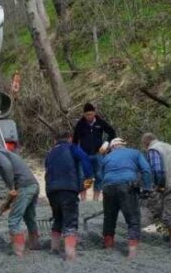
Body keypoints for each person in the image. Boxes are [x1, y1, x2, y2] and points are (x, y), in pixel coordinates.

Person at [98, 137, 153, 258]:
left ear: (112, 148)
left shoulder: (107, 157)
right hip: (127, 186)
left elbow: (100, 175)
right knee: (133, 218)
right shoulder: (135, 153)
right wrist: (147, 188)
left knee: (109, 218)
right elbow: (146, 170)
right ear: (124, 145)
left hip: (108, 187)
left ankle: (108, 246)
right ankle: (132, 251)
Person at [44, 131, 94, 261]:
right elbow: (85, 159)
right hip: (68, 188)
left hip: (51, 190)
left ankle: (54, 248)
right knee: (70, 221)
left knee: (58, 218)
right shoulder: (72, 148)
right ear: (70, 138)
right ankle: (70, 254)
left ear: (55, 140)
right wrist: (89, 178)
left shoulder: (50, 153)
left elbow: (47, 171)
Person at [0, 141, 39, 256]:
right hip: (33, 185)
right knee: (29, 217)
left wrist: (12, 187)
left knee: (13, 220)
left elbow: (7, 166)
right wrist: (8, 203)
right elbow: (14, 193)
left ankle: (18, 251)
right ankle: (35, 244)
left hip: (24, 186)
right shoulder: (9, 153)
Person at [72, 102, 116, 201]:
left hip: (98, 153)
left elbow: (112, 133)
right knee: (85, 176)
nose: (89, 116)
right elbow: (75, 140)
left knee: (99, 175)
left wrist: (106, 143)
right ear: (84, 114)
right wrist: (76, 153)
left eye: (91, 114)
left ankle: (95, 199)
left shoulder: (100, 123)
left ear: (94, 113)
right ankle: (83, 198)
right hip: (84, 155)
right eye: (87, 114)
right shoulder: (80, 124)